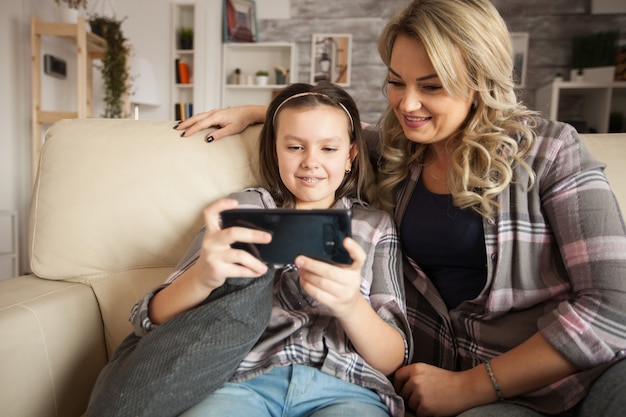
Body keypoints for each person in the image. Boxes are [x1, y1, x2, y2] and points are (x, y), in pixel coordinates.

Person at [174, 1, 626, 417]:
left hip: (549, 382)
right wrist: (259, 111)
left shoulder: (550, 151)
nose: (406, 105)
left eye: (431, 86)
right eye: (395, 81)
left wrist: (472, 386)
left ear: (481, 81)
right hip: (426, 379)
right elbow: (331, 133)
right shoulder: (396, 148)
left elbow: (613, 308)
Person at [131, 82, 411, 417]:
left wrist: (350, 305)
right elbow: (150, 317)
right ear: (275, 149)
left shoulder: (375, 225)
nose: (311, 162)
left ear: (350, 155)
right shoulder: (243, 209)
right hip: (241, 382)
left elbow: (395, 357)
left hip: (346, 388)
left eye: (329, 149)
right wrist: (203, 276)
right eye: (294, 147)